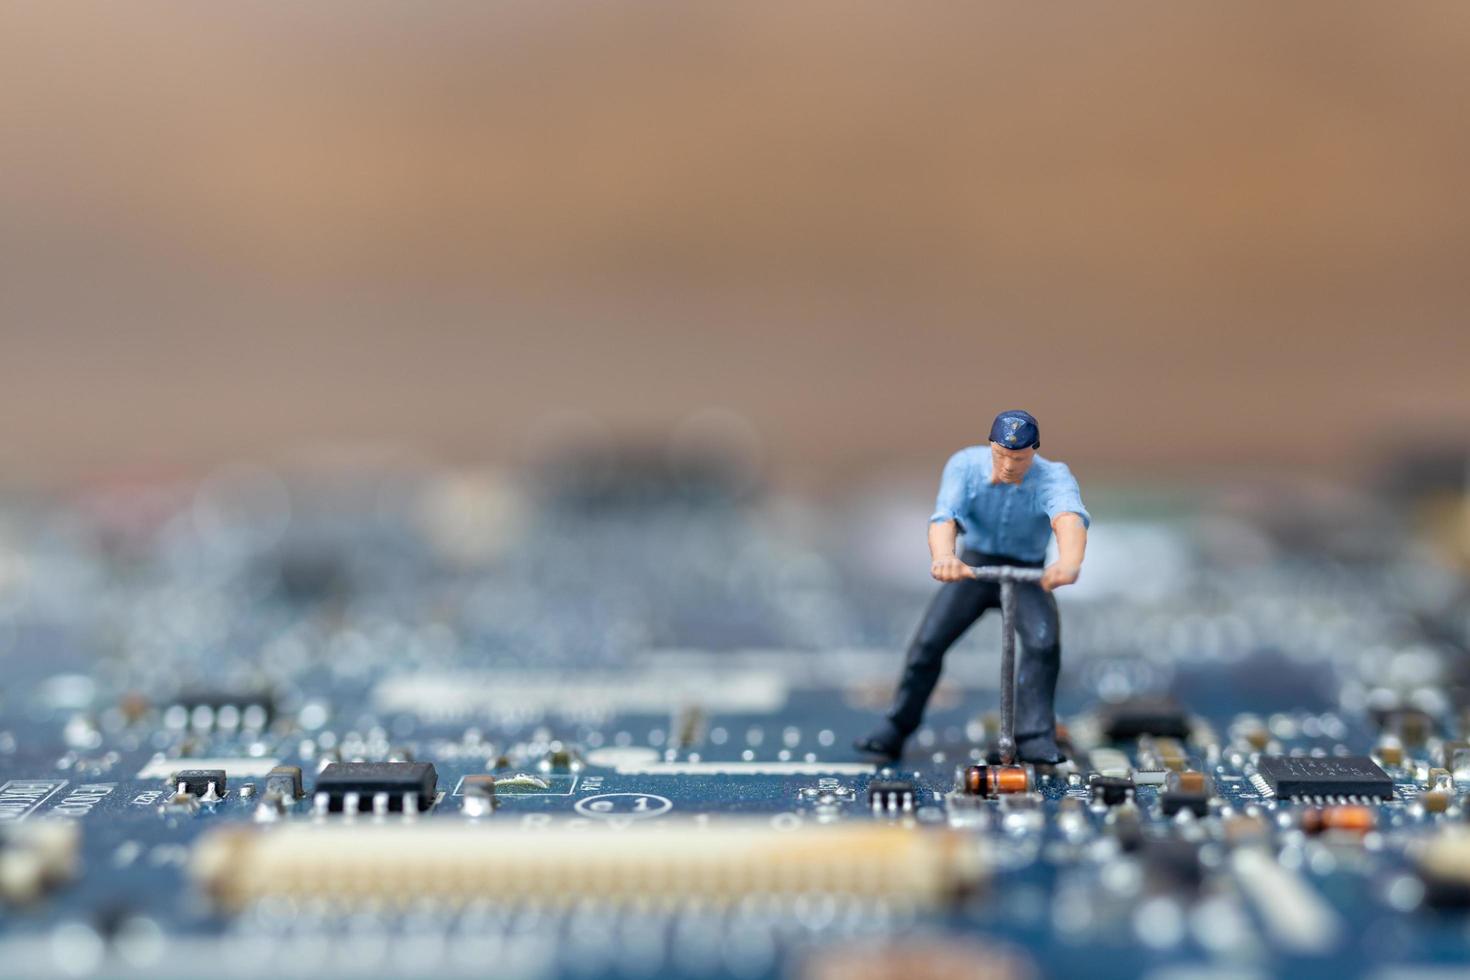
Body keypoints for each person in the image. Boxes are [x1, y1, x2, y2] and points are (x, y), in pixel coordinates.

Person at [855, 410, 1089, 763]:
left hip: (1026, 572)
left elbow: (1068, 519)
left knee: (1043, 644)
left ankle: (1034, 737)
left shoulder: (1053, 477)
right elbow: (944, 517)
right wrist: (944, 557)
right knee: (928, 643)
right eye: (1002, 455)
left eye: (1020, 458)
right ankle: (896, 727)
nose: (1009, 465)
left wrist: (1068, 562)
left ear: (1034, 452)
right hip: (974, 568)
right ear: (991, 446)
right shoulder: (964, 467)